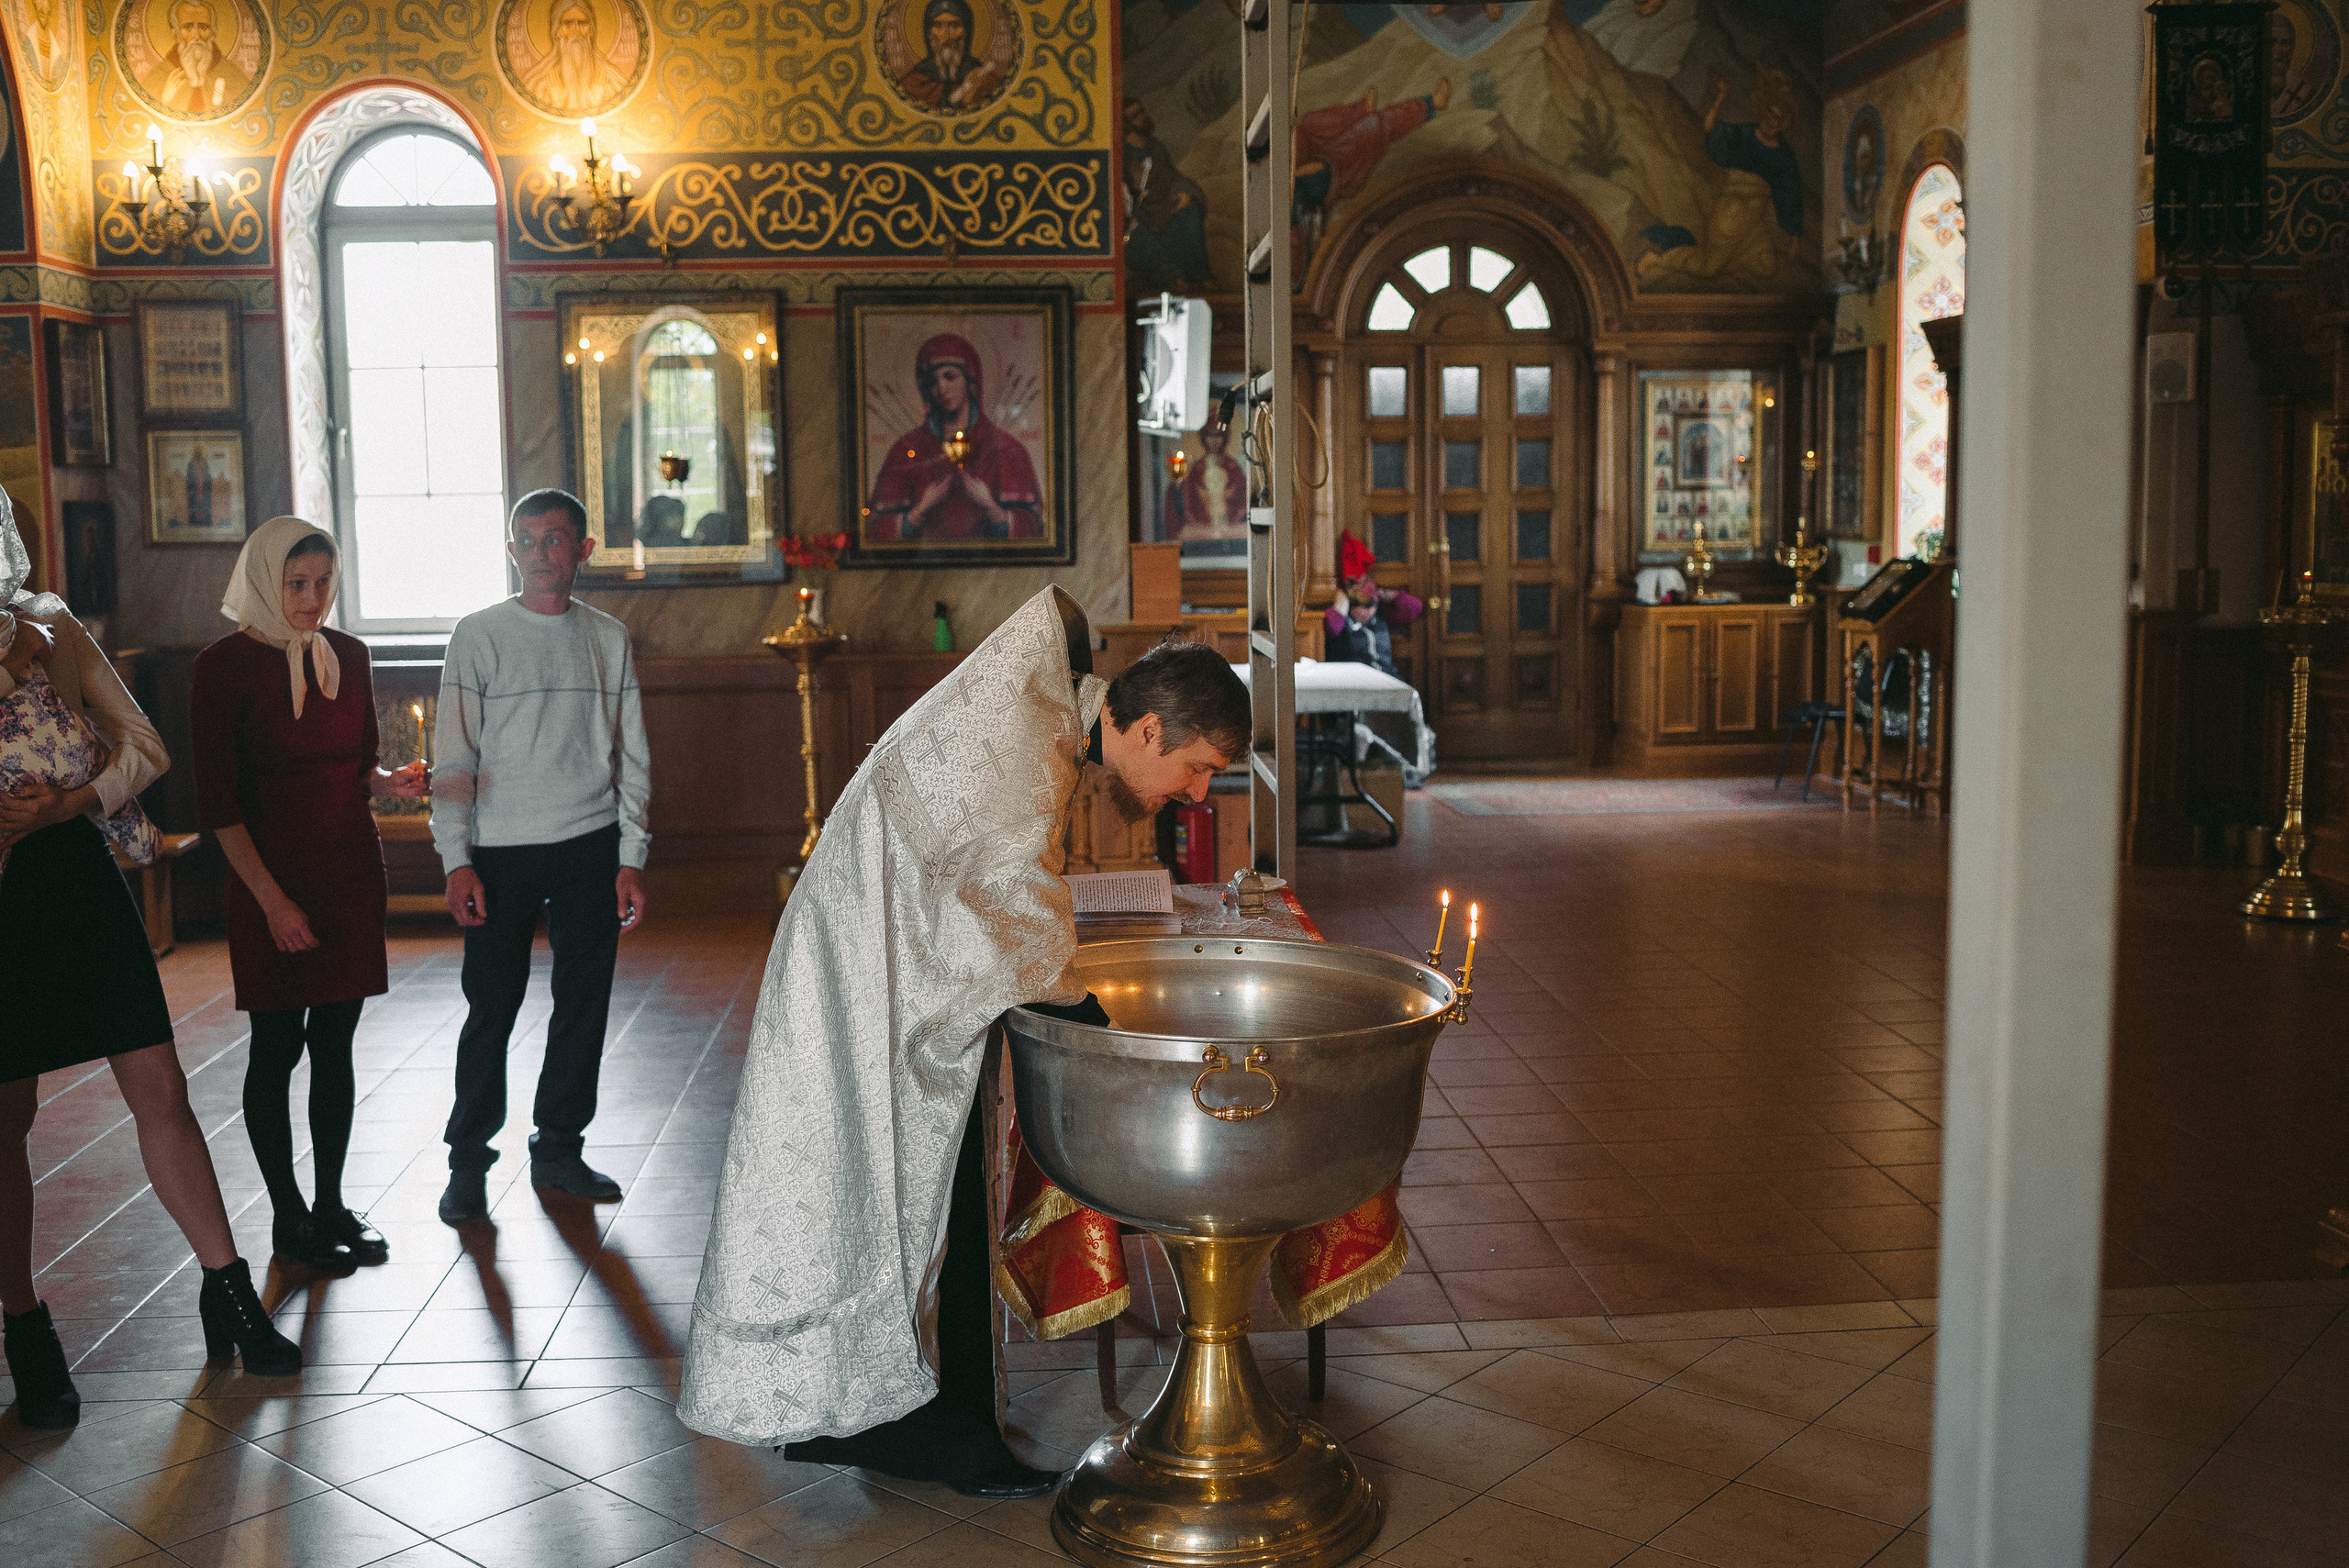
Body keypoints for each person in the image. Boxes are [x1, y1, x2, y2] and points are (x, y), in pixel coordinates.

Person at [680, 591, 1249, 1496]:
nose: (1195, 792)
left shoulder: (1047, 715)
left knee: (931, 1193)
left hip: (898, 963)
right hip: (869, 977)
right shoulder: (1025, 742)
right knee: (903, 1189)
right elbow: (1014, 913)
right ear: (1143, 727)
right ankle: (918, 1428)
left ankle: (915, 1418)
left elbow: (1003, 897)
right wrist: (1116, 1042)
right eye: (1196, 767)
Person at [0, 492, 299, 1428]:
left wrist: (67, 802)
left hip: (75, 876)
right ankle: (26, 1327)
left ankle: (230, 1287)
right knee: (4, 1120)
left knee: (160, 1085)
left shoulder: (48, 625)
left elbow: (147, 745)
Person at [192, 519, 429, 1274]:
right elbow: (219, 807)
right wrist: (272, 902)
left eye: (324, 583)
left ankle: (329, 1202)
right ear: (265, 579)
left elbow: (359, 764)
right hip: (271, 882)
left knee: (335, 1044)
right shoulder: (222, 667)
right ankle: (288, 1214)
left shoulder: (349, 657)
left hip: (347, 873)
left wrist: (393, 783)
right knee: (276, 1046)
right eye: (297, 584)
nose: (312, 599)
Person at [431, 489, 650, 1224]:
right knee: (491, 1005)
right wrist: (454, 858)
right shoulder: (479, 635)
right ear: (511, 551)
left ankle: (558, 1145)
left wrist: (631, 853)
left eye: (555, 539)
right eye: (526, 541)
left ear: (583, 549)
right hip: (498, 848)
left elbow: (634, 755)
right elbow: (453, 757)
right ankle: (468, 1160)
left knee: (582, 1004)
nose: (540, 554)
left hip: (589, 842)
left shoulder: (608, 637)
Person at [864, 333, 1043, 541]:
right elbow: (874, 530)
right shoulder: (905, 450)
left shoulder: (1007, 449)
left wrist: (992, 507)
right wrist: (920, 509)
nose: (941, 388)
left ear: (970, 380)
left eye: (950, 377)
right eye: (932, 381)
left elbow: (1035, 530)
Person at [1323, 534, 1422, 679]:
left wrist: (1383, 594)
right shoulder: (1342, 622)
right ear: (1351, 607)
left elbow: (1415, 607)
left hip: (1387, 677)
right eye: (1364, 607)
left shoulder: (1381, 615)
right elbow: (1332, 627)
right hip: (1357, 683)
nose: (1369, 612)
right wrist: (1341, 603)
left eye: (1373, 606)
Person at [140, 0, 252, 116]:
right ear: (176, 35)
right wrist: (164, 98)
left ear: (213, 33)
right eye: (188, 27)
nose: (196, 35)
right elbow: (143, 116)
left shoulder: (231, 76)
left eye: (203, 27)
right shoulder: (159, 76)